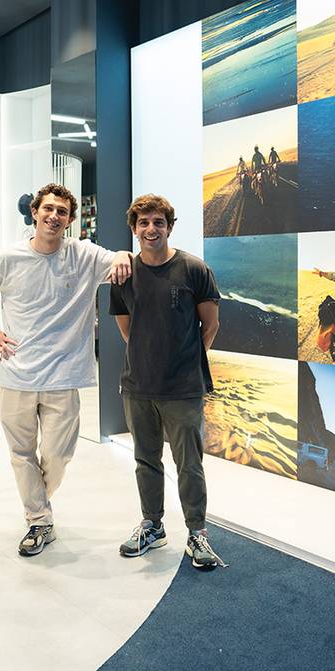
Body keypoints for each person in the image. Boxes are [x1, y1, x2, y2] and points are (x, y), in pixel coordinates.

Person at [0, 182, 133, 557]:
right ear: (35, 213)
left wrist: (124, 251)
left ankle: (37, 506)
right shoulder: (8, 257)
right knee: (21, 452)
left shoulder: (84, 255)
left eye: (62, 211)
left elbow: (119, 262)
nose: (54, 216)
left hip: (64, 376)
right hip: (16, 374)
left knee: (59, 455)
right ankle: (39, 521)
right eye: (48, 209)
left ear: (71, 219)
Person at [109, 194, 224, 569]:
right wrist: (150, 356)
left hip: (183, 387)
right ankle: (153, 527)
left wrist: (182, 358)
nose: (150, 229)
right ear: (134, 229)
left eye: (158, 222)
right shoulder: (123, 274)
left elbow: (211, 325)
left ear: (169, 227)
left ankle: (197, 534)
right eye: (143, 223)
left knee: (189, 463)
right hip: (138, 385)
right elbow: (127, 329)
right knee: (145, 460)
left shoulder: (193, 269)